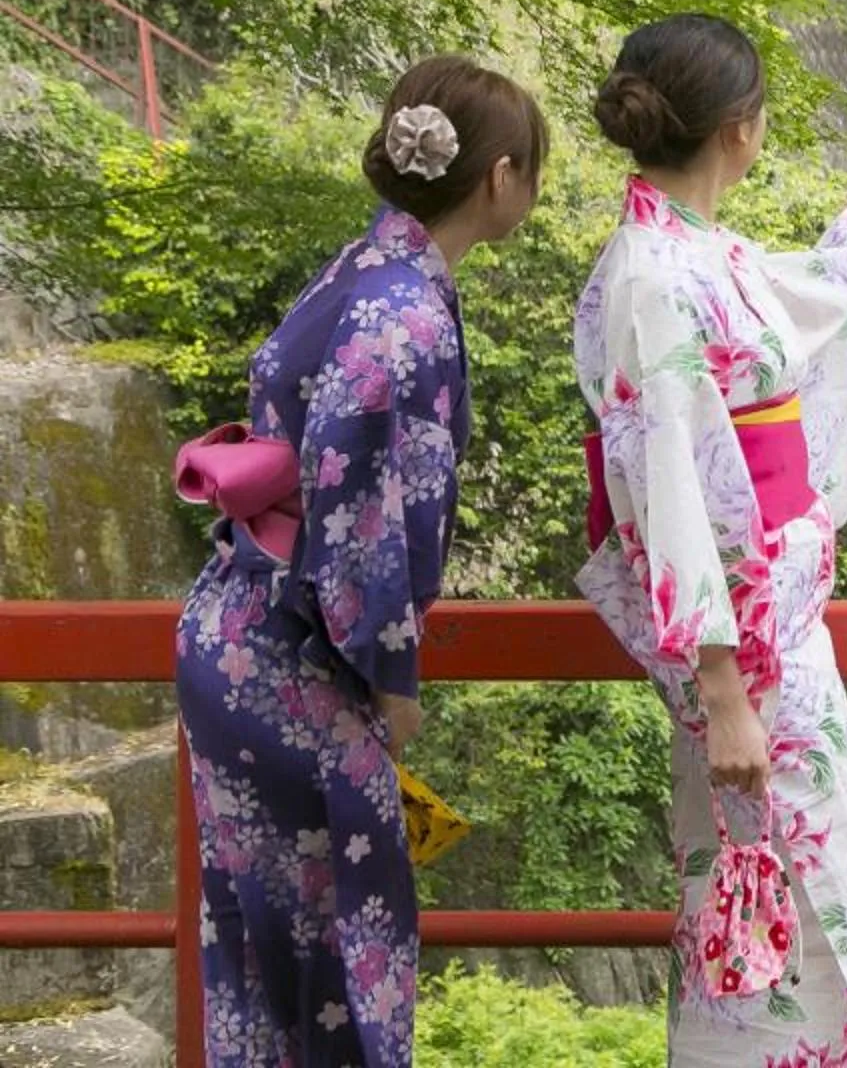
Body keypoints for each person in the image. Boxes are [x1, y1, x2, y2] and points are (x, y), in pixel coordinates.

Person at [573, 14, 847, 1068]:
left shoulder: (690, 251)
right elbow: (670, 480)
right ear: (741, 126)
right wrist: (723, 685)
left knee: (820, 895)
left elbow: (785, 307)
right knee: (775, 893)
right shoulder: (651, 272)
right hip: (746, 654)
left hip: (778, 625)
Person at [174, 56, 547, 1068]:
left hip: (240, 630)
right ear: (502, 176)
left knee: (266, 952)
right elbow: (368, 511)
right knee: (344, 945)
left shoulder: (361, 268)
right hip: (300, 657)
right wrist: (390, 674)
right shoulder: (409, 314)